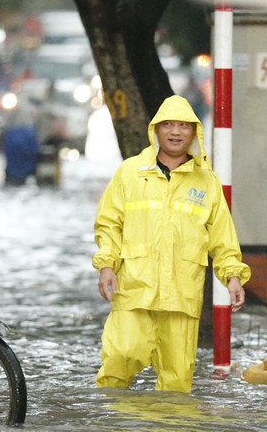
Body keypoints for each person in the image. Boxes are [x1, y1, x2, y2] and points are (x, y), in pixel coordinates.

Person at [93, 94, 250, 393]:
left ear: (194, 133)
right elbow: (109, 223)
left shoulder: (207, 181)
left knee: (177, 382)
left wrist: (232, 277)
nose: (176, 132)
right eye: (168, 125)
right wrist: (107, 265)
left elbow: (222, 235)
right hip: (135, 289)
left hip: (182, 295)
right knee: (119, 359)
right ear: (156, 130)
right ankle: (113, 430)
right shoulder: (130, 173)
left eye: (183, 125)